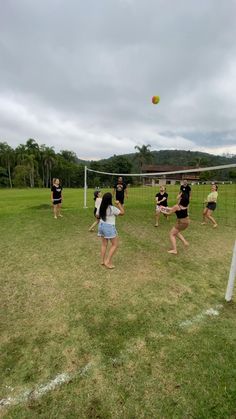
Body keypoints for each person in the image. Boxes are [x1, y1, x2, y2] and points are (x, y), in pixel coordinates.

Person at [97, 192, 124, 269]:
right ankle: (107, 261)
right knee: (115, 244)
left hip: (101, 225)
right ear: (110, 200)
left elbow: (97, 215)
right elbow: (122, 213)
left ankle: (102, 261)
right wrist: (118, 204)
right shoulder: (112, 208)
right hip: (108, 227)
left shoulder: (100, 206)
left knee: (104, 244)